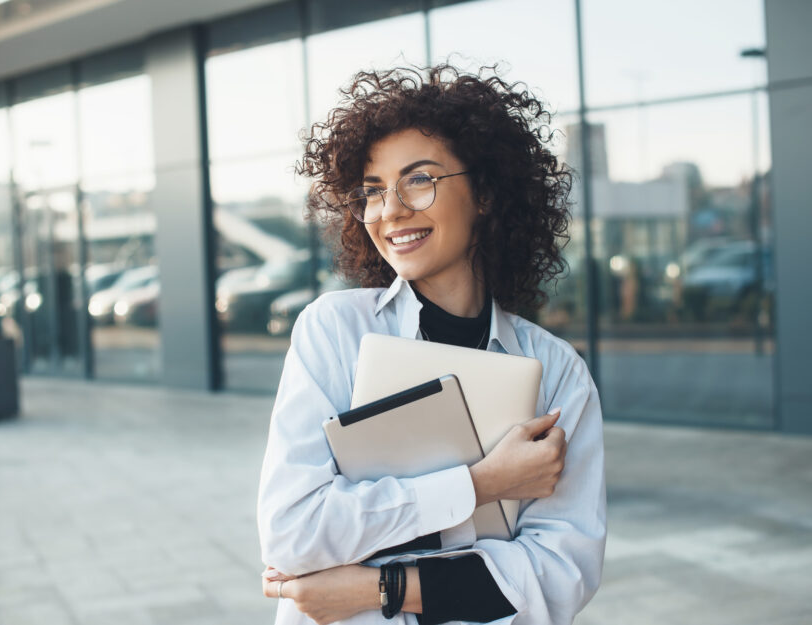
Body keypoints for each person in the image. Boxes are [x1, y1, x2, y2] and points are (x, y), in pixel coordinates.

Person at [257, 64, 605, 625]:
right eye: (373, 190)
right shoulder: (335, 331)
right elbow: (293, 534)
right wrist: (483, 483)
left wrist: (381, 587)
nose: (390, 209)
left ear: (486, 192)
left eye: (419, 179)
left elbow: (560, 575)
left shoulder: (556, 372)